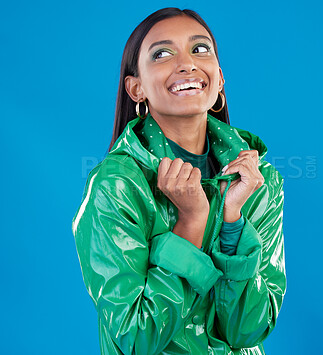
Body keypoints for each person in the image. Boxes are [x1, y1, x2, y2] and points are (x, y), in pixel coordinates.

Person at [72, 7, 286, 355]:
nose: (187, 63)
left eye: (200, 49)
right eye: (162, 53)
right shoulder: (117, 186)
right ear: (136, 88)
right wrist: (191, 223)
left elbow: (249, 330)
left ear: (219, 79)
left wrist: (232, 221)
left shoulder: (257, 181)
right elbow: (136, 339)